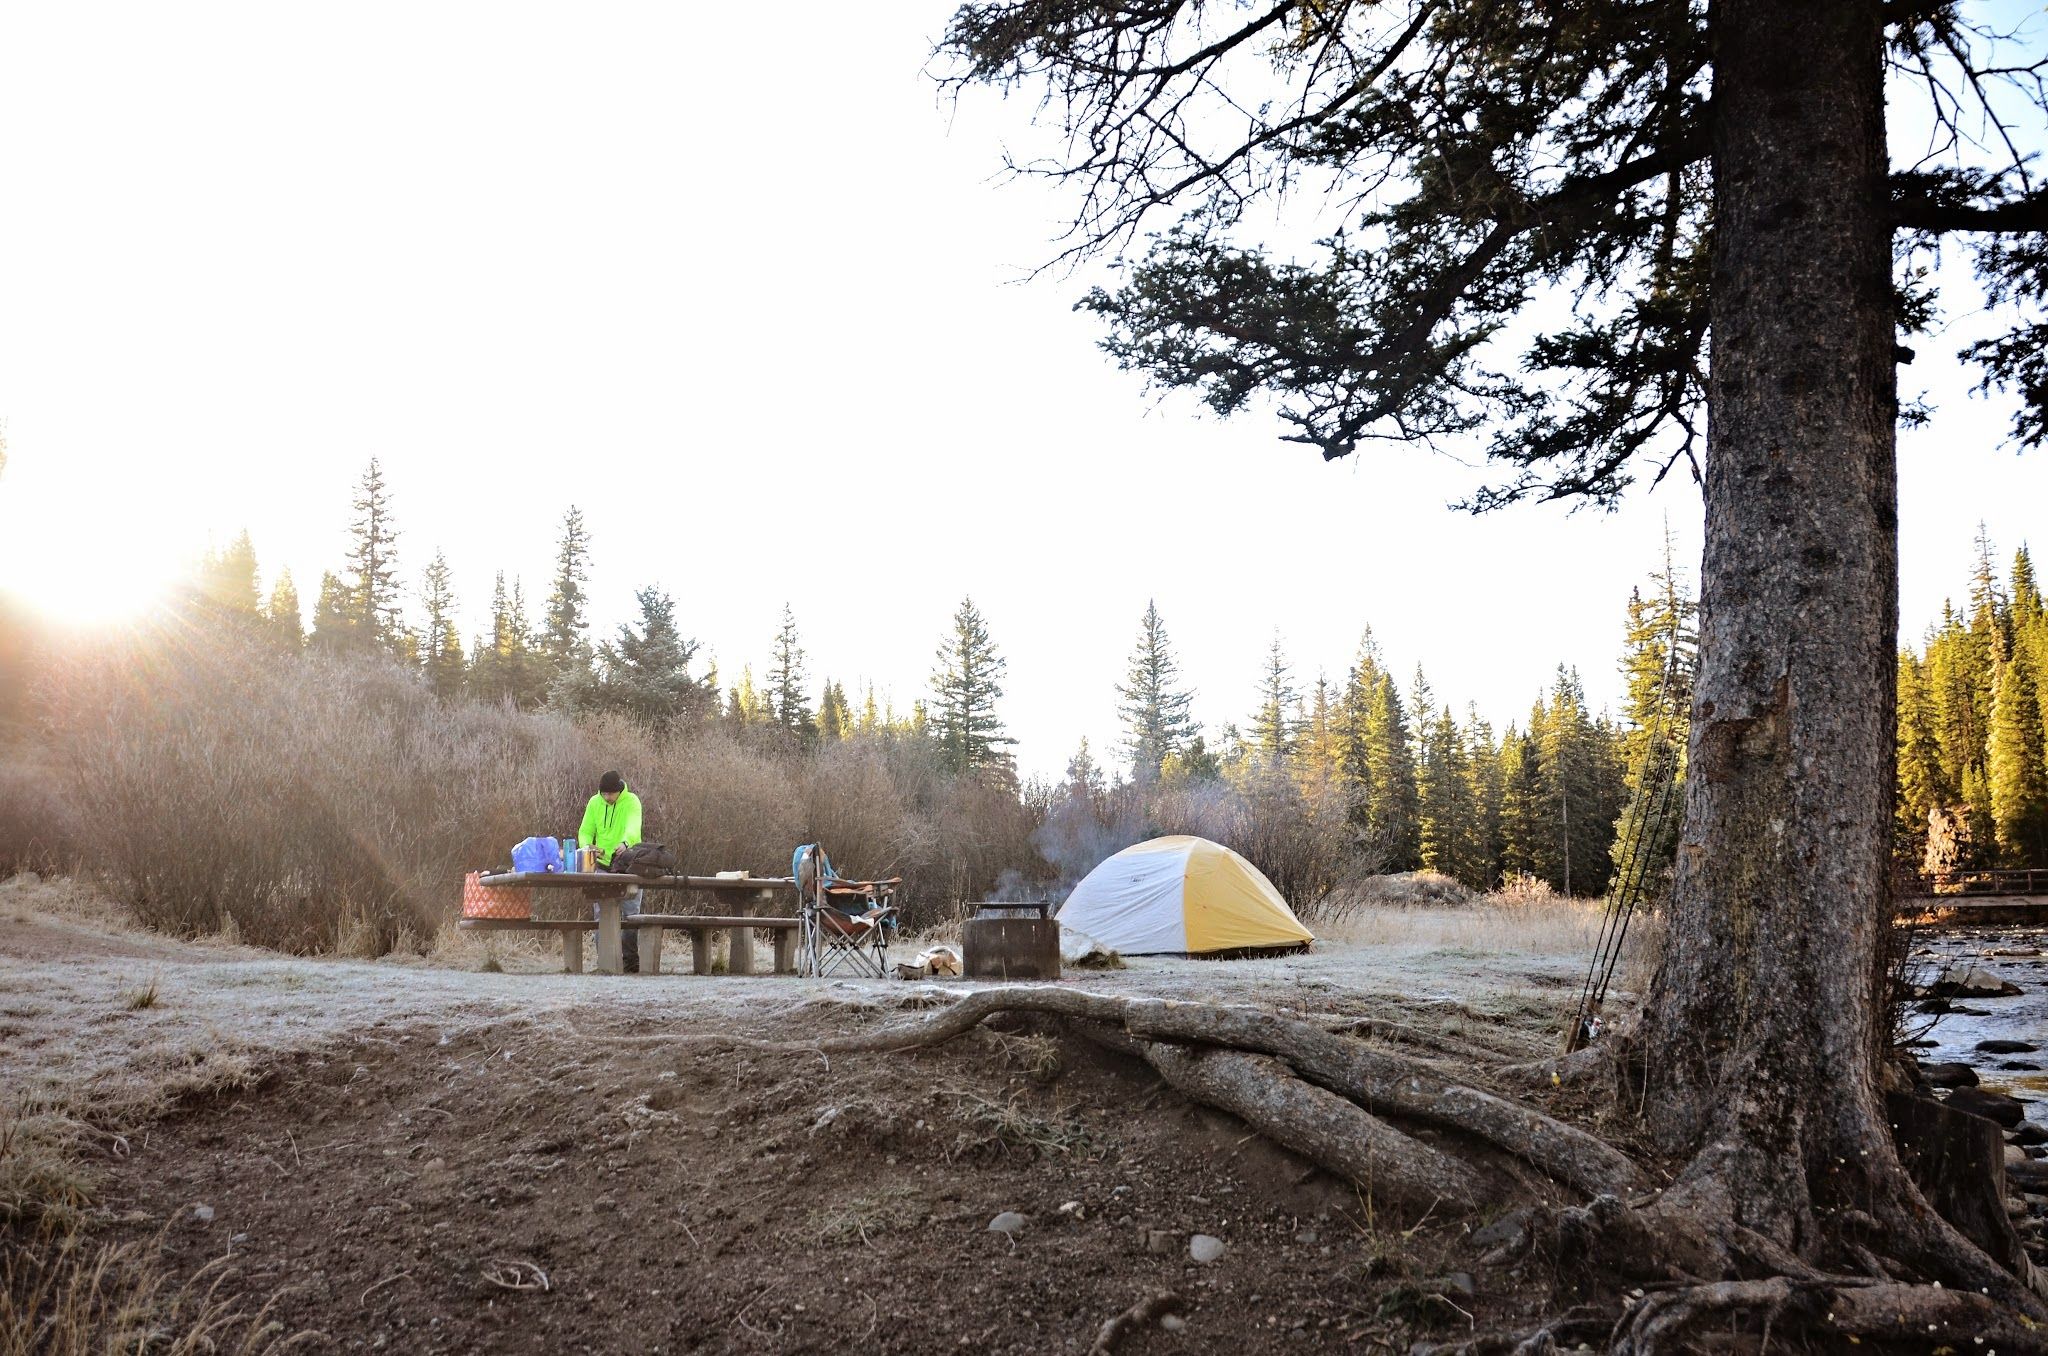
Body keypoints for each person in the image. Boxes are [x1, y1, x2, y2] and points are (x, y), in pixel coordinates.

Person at [578, 771, 645, 972]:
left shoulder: (631, 801)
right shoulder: (594, 802)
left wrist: (626, 843)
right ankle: (605, 961)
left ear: (619, 790)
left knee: (631, 913)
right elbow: (585, 830)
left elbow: (634, 826)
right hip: (602, 865)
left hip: (628, 865)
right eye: (604, 794)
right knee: (601, 912)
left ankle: (630, 962)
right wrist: (588, 846)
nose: (607, 798)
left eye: (611, 794)